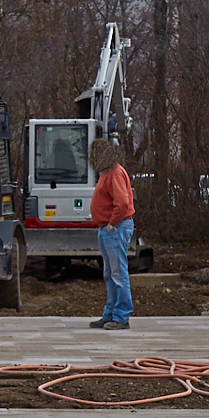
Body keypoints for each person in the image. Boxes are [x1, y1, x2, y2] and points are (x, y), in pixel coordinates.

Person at [88, 137, 134, 330]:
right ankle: (111, 314)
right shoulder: (107, 172)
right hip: (108, 228)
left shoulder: (114, 173)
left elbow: (122, 203)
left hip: (115, 228)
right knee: (110, 273)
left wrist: (112, 223)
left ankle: (121, 316)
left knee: (118, 273)